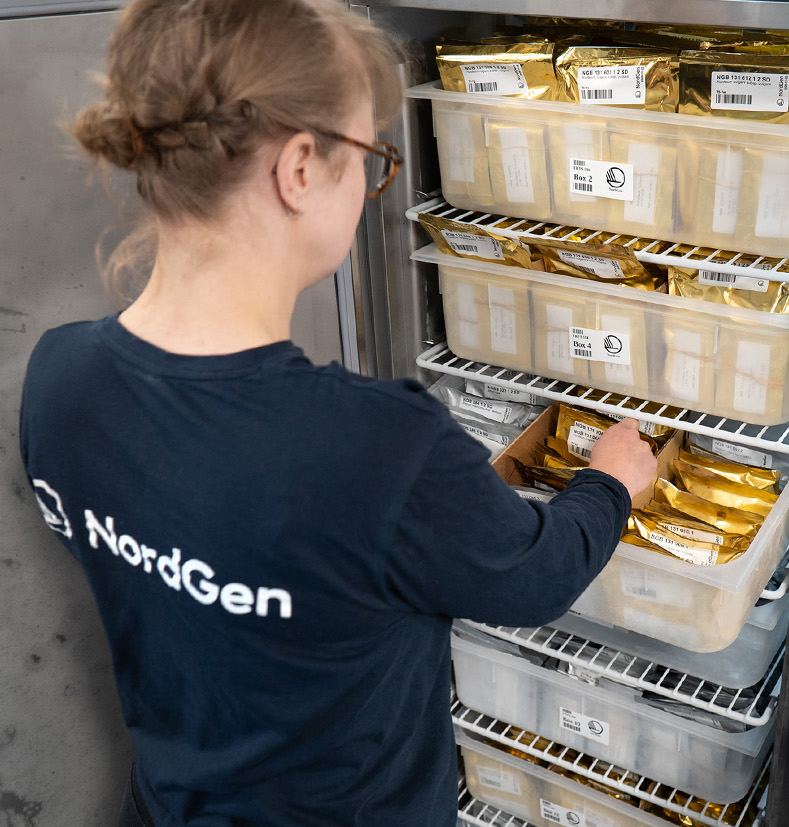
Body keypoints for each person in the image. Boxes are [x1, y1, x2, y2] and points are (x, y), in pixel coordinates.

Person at [18, 1, 658, 824]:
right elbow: (535, 578)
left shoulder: (60, 377)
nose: (370, 182)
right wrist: (609, 484)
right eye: (370, 156)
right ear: (298, 170)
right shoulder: (377, 449)